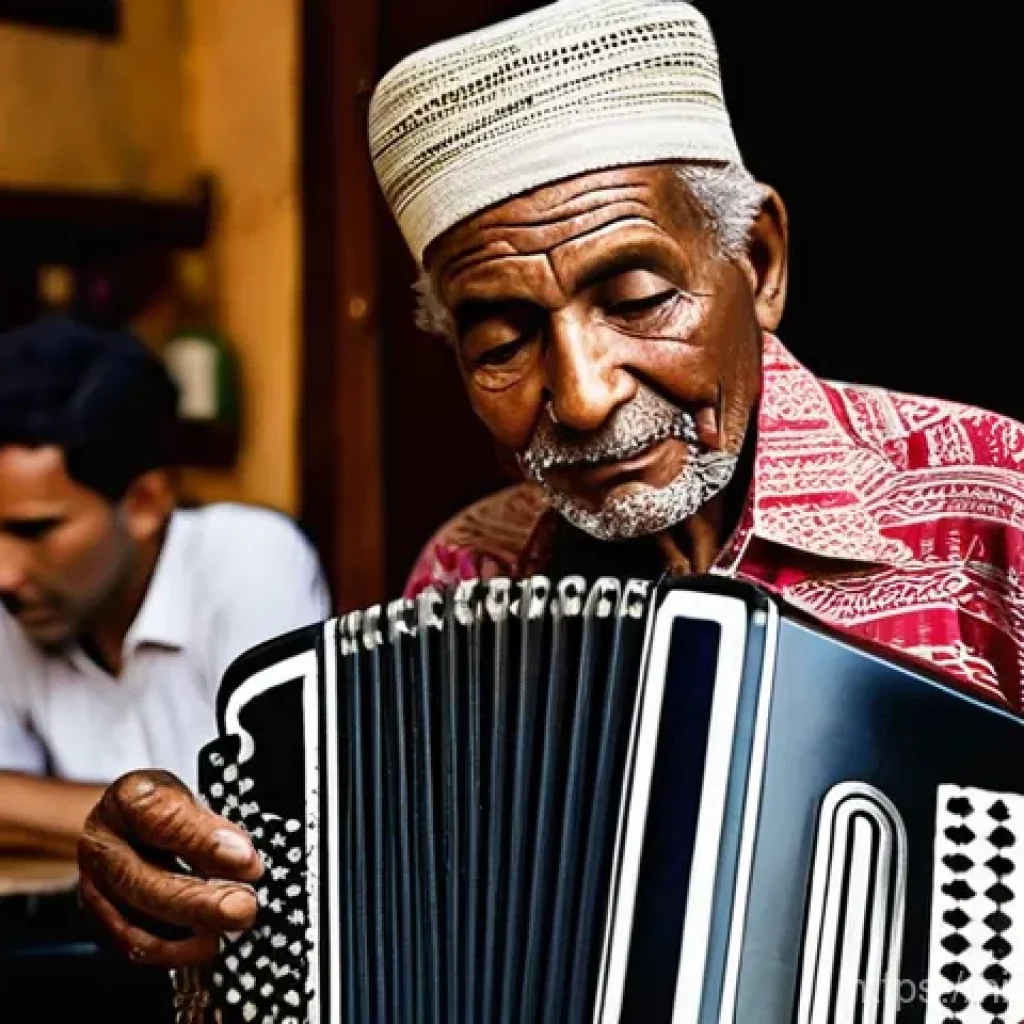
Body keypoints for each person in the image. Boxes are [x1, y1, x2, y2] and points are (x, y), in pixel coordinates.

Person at [76, 0, 1024, 974]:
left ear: (760, 263)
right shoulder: (468, 569)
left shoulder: (996, 497)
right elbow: (403, 929)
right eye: (501, 340)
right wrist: (216, 911)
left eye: (638, 299)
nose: (579, 395)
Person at [0, 316, 330, 857]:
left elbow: (271, 826)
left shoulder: (249, 558)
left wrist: (49, 812)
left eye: (36, 530)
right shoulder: (21, 600)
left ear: (145, 504)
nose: (5, 573)